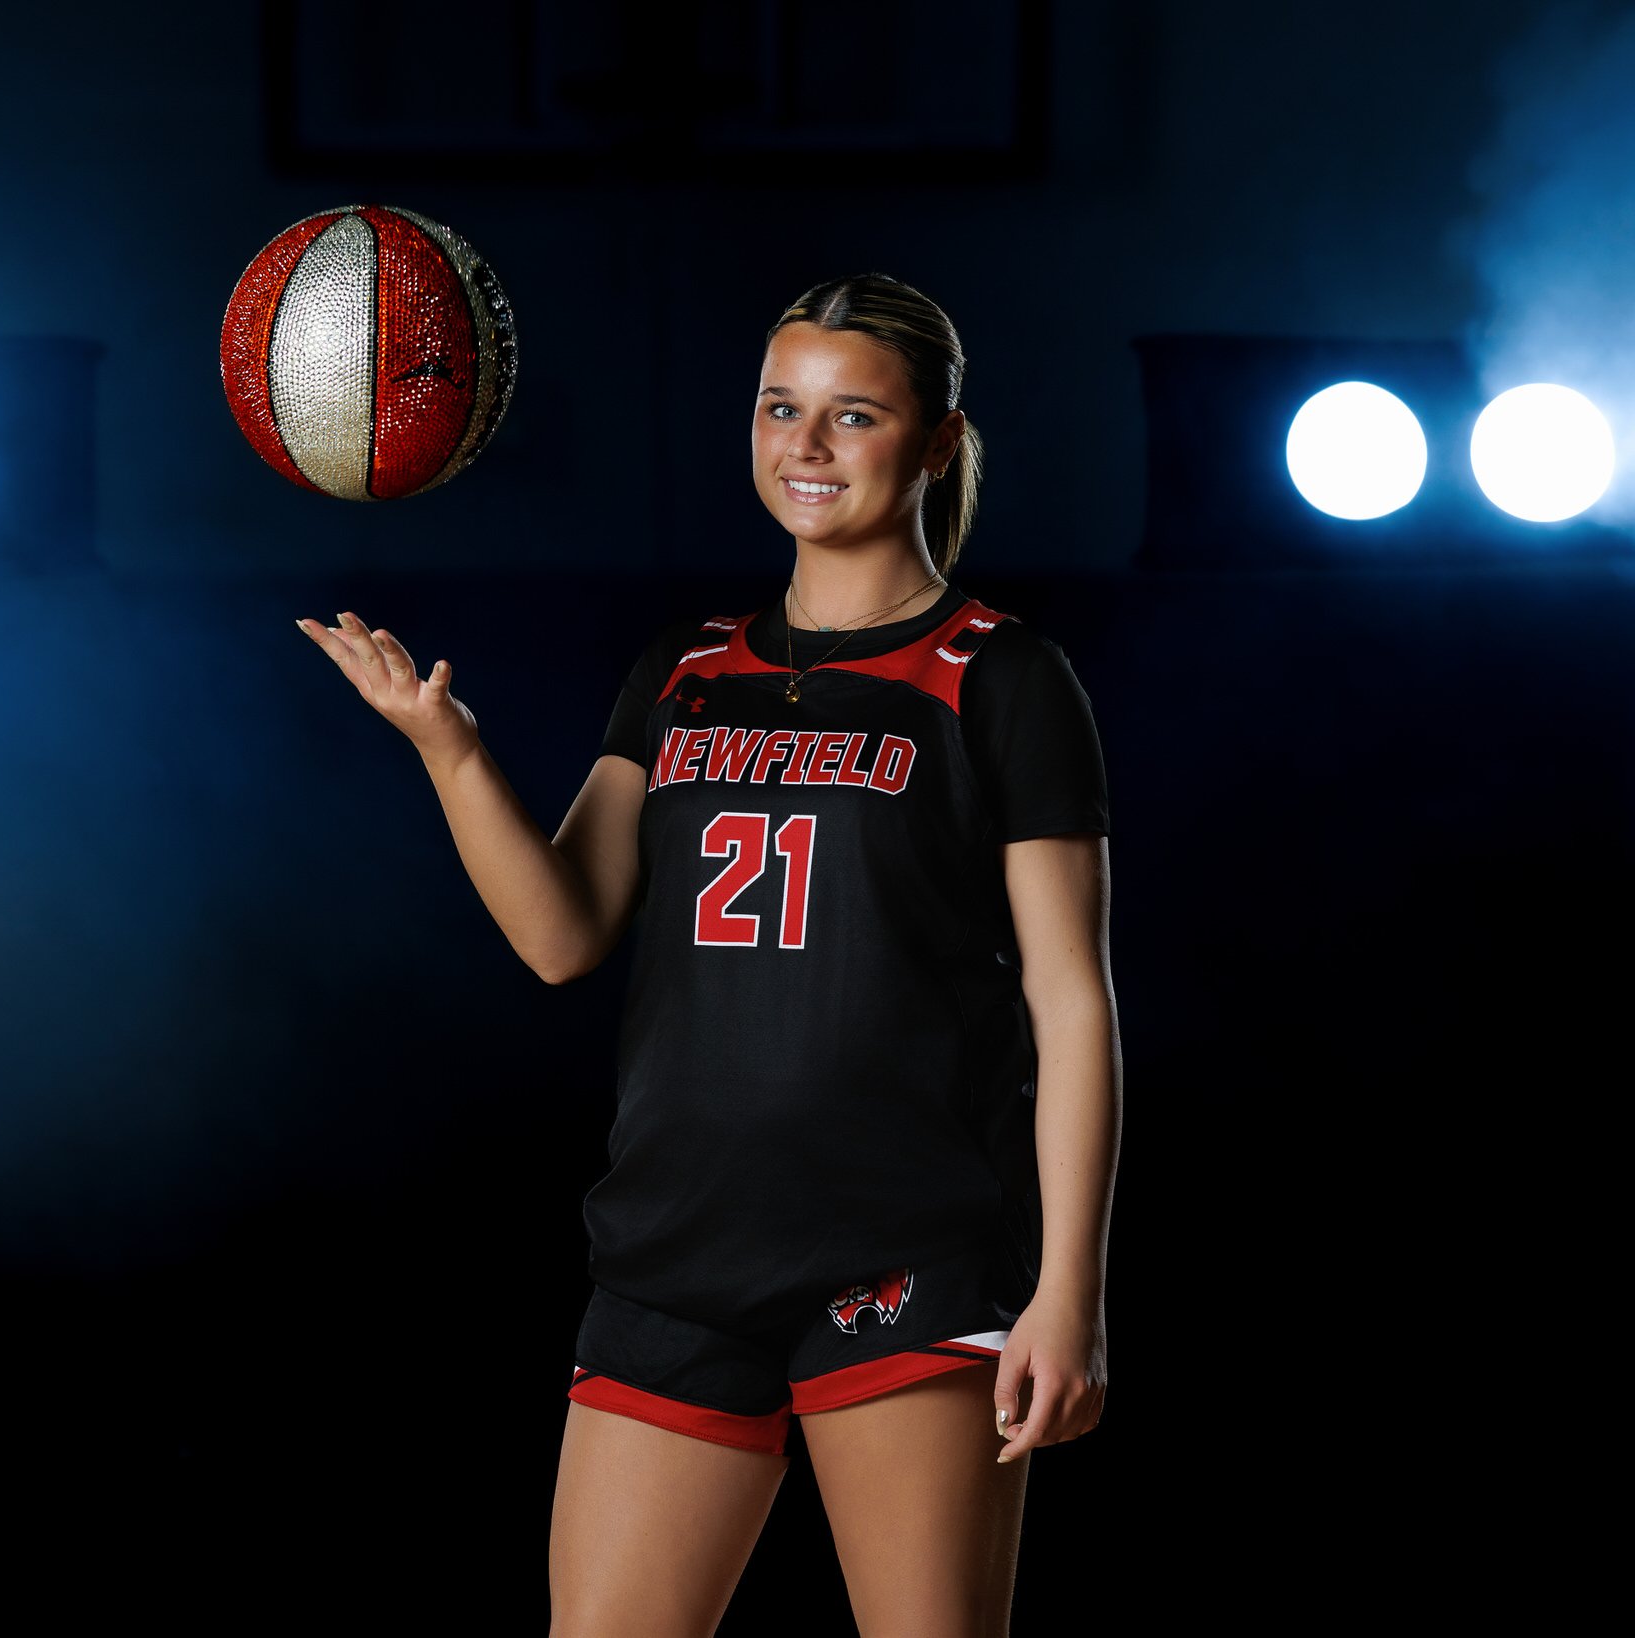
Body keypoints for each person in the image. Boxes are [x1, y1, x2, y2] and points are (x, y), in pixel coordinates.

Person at [296, 270, 1119, 1638]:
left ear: (938, 443)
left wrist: (1069, 1293)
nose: (806, 446)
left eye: (854, 415)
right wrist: (450, 753)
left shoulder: (1002, 679)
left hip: (903, 1249)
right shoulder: (685, 669)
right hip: (676, 1248)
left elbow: (1071, 1005)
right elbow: (563, 934)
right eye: (779, 408)